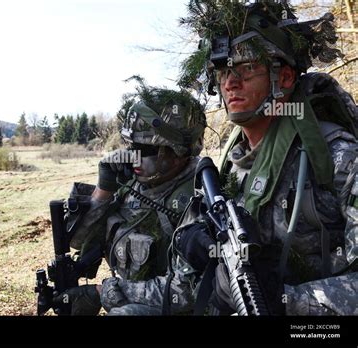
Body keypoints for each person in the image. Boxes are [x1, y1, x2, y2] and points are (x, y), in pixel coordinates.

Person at [96, 0, 358, 316]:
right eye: (221, 72)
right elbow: (185, 290)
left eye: (247, 68)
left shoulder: (338, 157)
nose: (230, 83)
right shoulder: (227, 165)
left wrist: (288, 299)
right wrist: (191, 246)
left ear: (285, 78)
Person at [54, 81, 206, 315]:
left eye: (144, 149)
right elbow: (78, 242)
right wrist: (103, 190)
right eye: (130, 146)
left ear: (177, 151)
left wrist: (101, 293)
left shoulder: (198, 194)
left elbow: (187, 293)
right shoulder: (129, 184)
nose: (132, 156)